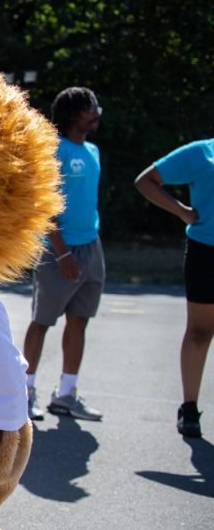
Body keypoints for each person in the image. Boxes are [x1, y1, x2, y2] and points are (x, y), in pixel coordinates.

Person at [23, 86, 106, 421]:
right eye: (91, 107)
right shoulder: (51, 149)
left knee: (80, 320)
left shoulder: (94, 150)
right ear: (74, 113)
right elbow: (43, 205)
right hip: (58, 252)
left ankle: (67, 394)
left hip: (91, 246)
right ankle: (24, 392)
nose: (98, 112)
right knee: (42, 322)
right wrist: (61, 253)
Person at [135, 141, 214, 437]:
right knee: (200, 331)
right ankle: (189, 408)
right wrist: (181, 211)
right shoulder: (202, 153)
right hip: (206, 252)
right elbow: (146, 181)